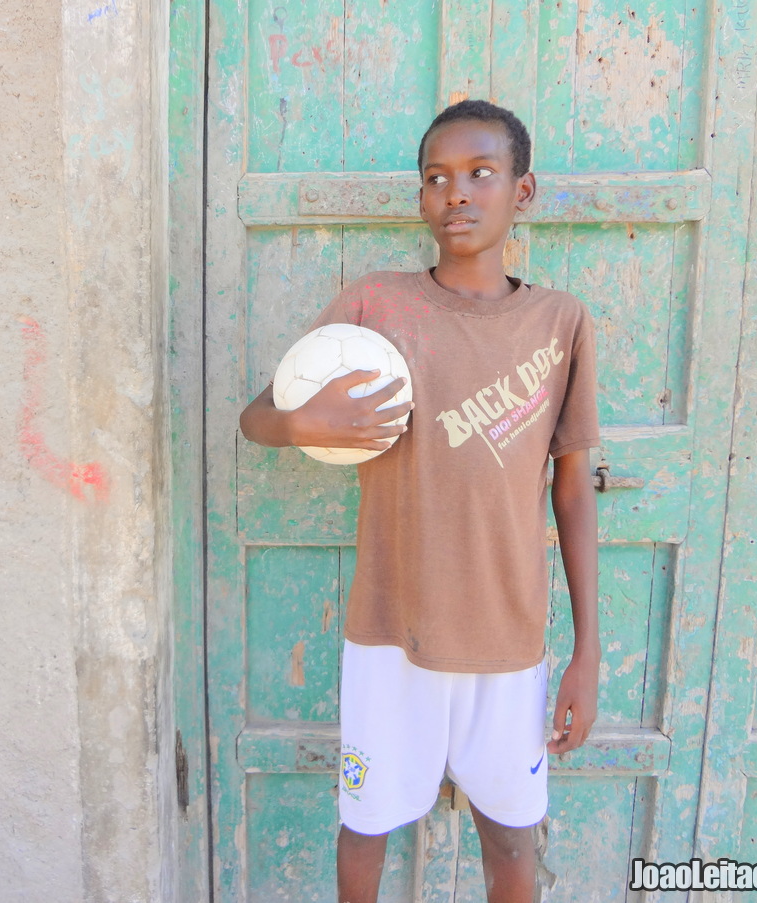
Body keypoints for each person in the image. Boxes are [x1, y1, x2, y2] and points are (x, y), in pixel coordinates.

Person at [238, 100, 600, 903]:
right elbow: (255, 417)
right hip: (390, 630)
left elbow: (572, 490)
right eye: (437, 178)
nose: (457, 194)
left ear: (523, 191)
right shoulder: (376, 307)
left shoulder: (558, 322)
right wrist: (301, 420)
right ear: (420, 196)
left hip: (508, 638)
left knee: (511, 838)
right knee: (366, 827)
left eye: (481, 174)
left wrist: (587, 652)